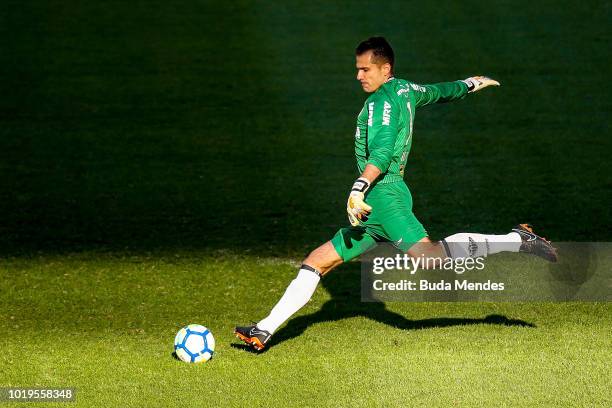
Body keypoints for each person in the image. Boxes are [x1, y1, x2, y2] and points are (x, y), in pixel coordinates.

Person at [235, 37, 556, 351]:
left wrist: (358, 187)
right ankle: (264, 329)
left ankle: (517, 240)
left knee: (430, 260)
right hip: (378, 204)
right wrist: (469, 84)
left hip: (383, 198)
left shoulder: (379, 104)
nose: (359, 76)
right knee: (317, 261)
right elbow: (437, 92)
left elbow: (382, 152)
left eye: (365, 70)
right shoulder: (404, 88)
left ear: (384, 68)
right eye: (358, 69)